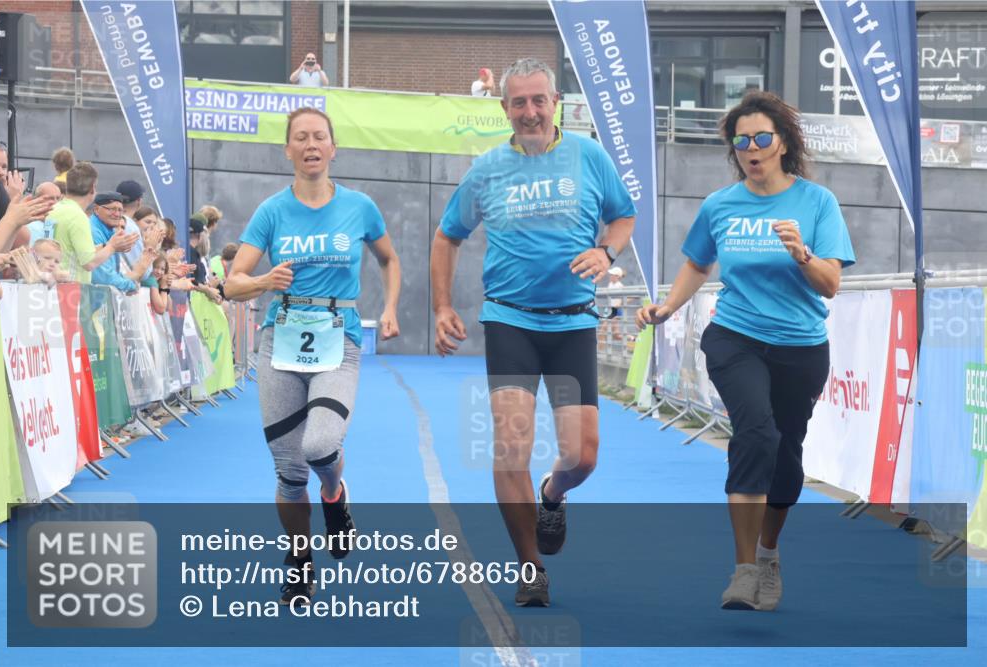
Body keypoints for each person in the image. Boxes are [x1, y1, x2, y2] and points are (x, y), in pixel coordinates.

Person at [635, 90, 855, 612]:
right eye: (741, 142)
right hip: (735, 336)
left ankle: (769, 553)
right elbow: (697, 263)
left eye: (761, 139)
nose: (751, 150)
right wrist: (667, 307)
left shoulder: (817, 203)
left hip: (800, 345)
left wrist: (801, 252)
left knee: (786, 456)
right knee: (754, 431)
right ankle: (743, 569)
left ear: (782, 144)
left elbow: (830, 284)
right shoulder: (721, 205)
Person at [431, 58, 636, 607]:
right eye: (518, 103)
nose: (529, 112)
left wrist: (606, 249)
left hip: (572, 323)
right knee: (510, 447)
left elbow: (623, 216)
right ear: (505, 109)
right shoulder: (488, 169)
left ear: (556, 104)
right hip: (510, 320)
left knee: (583, 456)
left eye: (538, 101)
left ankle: (553, 494)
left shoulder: (589, 156)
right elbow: (448, 235)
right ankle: (530, 566)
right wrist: (443, 306)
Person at [226, 107, 401, 605]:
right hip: (280, 339)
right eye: (300, 137)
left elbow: (388, 258)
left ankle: (334, 495)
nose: (310, 145)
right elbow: (233, 283)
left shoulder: (359, 206)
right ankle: (300, 561)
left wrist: (389, 307)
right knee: (287, 468)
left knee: (320, 445)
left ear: (332, 146)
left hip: (337, 337)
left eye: (319, 137)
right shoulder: (271, 211)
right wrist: (263, 280)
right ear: (288, 149)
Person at [89, 192, 144, 293]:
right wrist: (130, 286)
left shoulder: (109, 231)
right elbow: (103, 277)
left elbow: (113, 273)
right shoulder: (93, 232)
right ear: (96, 209)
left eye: (120, 210)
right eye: (112, 209)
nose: (117, 214)